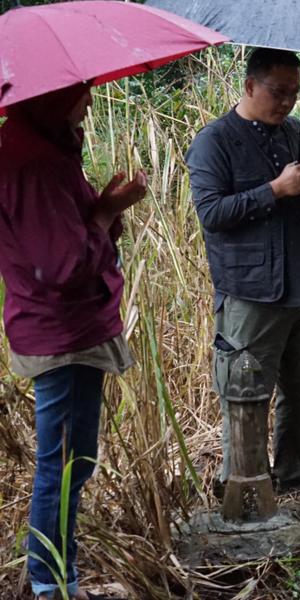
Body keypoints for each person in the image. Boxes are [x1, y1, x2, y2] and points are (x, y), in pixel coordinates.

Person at [0, 84, 147, 600]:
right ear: (50, 96)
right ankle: (50, 583)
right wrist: (108, 214)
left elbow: (66, 239)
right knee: (62, 461)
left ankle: (58, 577)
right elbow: (61, 266)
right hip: (61, 329)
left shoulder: (43, 149)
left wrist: (104, 207)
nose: (88, 102)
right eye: (80, 93)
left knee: (72, 458)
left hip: (68, 326)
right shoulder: (35, 163)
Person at [185, 48, 300, 493]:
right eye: (278, 91)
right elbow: (212, 212)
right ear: (250, 85)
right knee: (246, 392)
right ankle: (244, 487)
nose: (287, 101)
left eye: (294, 92)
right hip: (250, 290)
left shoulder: (295, 133)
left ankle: (295, 480)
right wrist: (274, 188)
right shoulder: (214, 140)